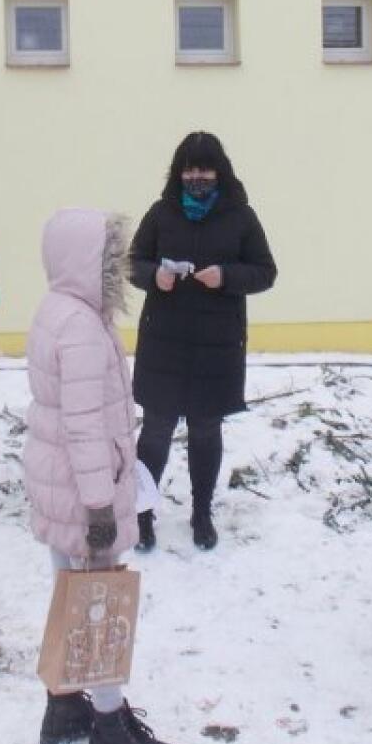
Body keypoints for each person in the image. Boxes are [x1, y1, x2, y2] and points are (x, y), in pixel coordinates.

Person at [23, 208, 183, 744]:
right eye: (108, 257)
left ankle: (64, 706)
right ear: (84, 261)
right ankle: (110, 727)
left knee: (71, 592)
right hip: (82, 489)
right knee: (100, 603)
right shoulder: (82, 329)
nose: (115, 267)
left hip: (56, 484)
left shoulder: (58, 310)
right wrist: (98, 506)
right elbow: (85, 425)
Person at [128, 132, 276, 552]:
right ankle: (142, 513)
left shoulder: (241, 216)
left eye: (204, 169)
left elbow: (265, 272)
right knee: (156, 430)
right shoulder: (161, 213)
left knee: (206, 430)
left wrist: (226, 276)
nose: (196, 177)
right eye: (189, 170)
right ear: (178, 173)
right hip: (164, 343)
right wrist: (154, 275)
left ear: (220, 172)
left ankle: (202, 513)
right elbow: (133, 262)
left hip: (217, 345)